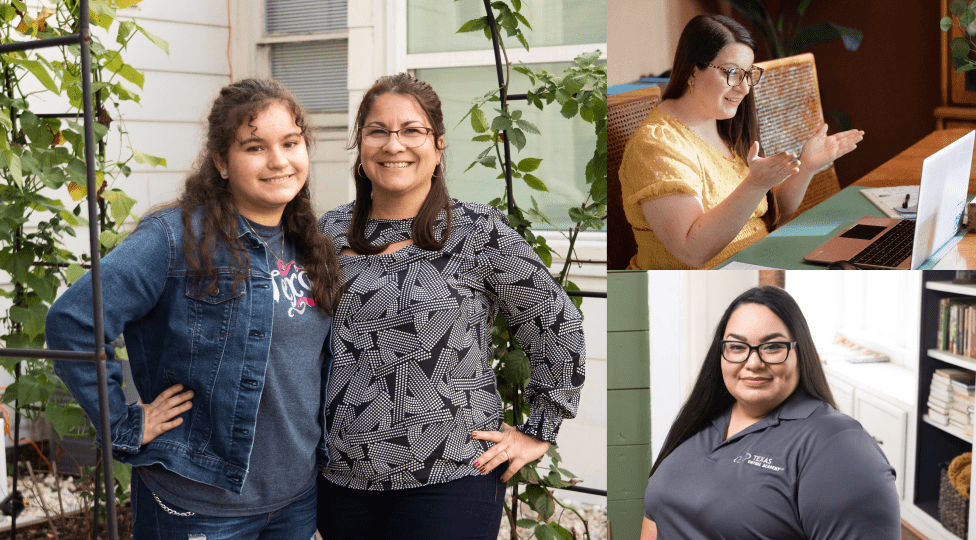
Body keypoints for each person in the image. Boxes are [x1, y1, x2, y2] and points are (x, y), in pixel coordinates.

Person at [46, 78, 341, 539]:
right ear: (222, 162)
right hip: (201, 502)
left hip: (295, 500)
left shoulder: (311, 243)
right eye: (254, 147)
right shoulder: (175, 238)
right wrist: (123, 421)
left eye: (291, 142)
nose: (279, 160)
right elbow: (73, 321)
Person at [316, 72, 586, 540]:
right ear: (360, 146)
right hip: (342, 483)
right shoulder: (328, 232)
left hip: (450, 480)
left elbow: (556, 322)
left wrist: (538, 430)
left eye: (411, 130)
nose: (392, 144)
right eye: (377, 130)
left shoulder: (476, 231)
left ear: (438, 146)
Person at [641, 286, 900, 540]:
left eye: (772, 347)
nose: (753, 363)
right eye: (737, 347)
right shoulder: (696, 420)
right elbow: (656, 514)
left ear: (801, 353)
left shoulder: (839, 446)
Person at [618, 14, 865, 269]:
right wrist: (755, 184)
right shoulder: (656, 145)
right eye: (733, 73)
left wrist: (808, 165)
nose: (745, 88)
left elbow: (768, 218)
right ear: (693, 71)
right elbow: (692, 251)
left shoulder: (725, 124)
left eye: (749, 74)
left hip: (760, 263)